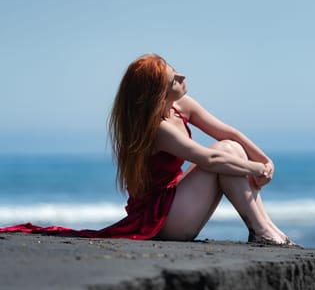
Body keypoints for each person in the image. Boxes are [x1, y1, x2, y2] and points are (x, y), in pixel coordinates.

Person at [0, 53, 297, 247]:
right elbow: (208, 158)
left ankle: (268, 229)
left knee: (230, 146)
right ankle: (263, 232)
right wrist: (255, 170)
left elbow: (228, 132)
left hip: (175, 200)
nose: (182, 77)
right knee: (224, 154)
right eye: (174, 79)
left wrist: (264, 159)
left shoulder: (180, 106)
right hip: (162, 221)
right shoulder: (157, 129)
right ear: (159, 93)